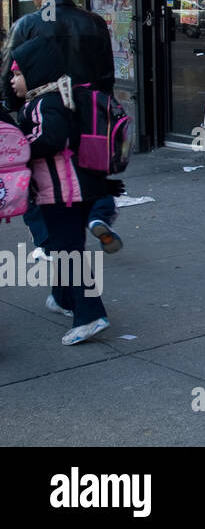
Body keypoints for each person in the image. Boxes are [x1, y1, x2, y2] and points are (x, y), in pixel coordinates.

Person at [3, 0, 122, 256]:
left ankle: (50, 240)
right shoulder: (93, 22)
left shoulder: (27, 24)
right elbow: (107, 71)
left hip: (43, 110)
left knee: (40, 179)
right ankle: (96, 216)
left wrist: (15, 110)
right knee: (90, 172)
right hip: (89, 111)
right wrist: (101, 103)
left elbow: (10, 72)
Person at [11, 37, 114, 345]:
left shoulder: (44, 103)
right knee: (63, 248)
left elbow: (52, 138)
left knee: (68, 253)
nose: (13, 80)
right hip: (71, 190)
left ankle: (90, 314)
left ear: (35, 72)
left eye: (17, 73)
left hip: (61, 192)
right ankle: (63, 299)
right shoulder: (56, 97)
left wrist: (18, 147)